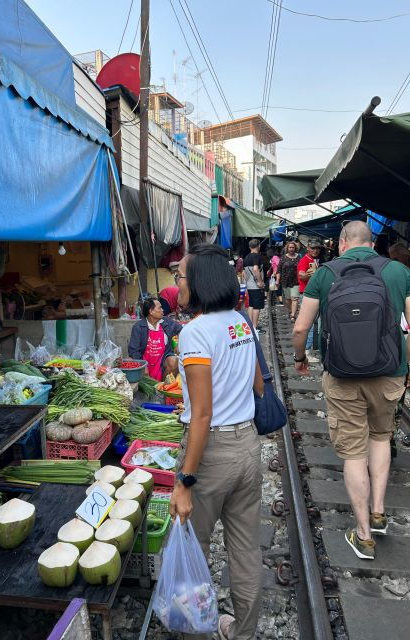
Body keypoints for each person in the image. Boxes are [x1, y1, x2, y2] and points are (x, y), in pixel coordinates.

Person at [293, 221, 410, 560]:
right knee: (380, 437)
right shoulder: (399, 272)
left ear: (343, 242)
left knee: (354, 452)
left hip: (343, 375)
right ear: (372, 243)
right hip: (389, 373)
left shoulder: (325, 273)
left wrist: (301, 358)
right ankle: (378, 512)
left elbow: (301, 327)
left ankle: (363, 536)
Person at [171, 243, 264, 640]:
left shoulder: (194, 333)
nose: (177, 285)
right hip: (248, 446)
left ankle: (196, 631)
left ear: (198, 282)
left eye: (180, 277)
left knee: (197, 549)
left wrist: (184, 481)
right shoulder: (241, 322)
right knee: (246, 551)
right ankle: (242, 633)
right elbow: (259, 385)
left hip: (212, 455)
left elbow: (203, 416)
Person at [128, 298, 181, 381]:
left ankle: (164, 387)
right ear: (151, 311)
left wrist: (179, 344)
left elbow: (181, 329)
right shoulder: (138, 327)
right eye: (159, 308)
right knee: (131, 362)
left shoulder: (166, 322)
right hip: (145, 360)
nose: (162, 310)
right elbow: (133, 350)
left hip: (162, 359)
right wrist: (142, 364)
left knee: (174, 361)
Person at [297, 238, 322, 353]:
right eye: (313, 248)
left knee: (315, 322)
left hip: (315, 294)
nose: (315, 250)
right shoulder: (304, 260)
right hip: (308, 295)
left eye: (317, 248)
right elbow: (301, 275)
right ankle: (305, 350)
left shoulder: (317, 260)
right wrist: (308, 275)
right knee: (309, 323)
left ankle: (312, 348)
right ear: (308, 248)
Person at [243, 239, 265, 329]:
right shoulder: (257, 256)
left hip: (249, 285)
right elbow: (256, 269)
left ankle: (251, 325)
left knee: (251, 305)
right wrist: (260, 282)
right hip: (256, 286)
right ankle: (255, 327)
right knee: (257, 306)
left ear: (250, 247)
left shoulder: (246, 257)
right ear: (258, 246)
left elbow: (244, 273)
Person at [276, 241, 300, 322]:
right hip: (285, 281)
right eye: (290, 247)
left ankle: (293, 315)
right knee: (288, 299)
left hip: (296, 281)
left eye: (293, 247)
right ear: (287, 248)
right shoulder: (283, 258)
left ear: (295, 248)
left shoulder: (299, 257)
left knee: (295, 298)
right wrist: (277, 280)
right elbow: (279, 270)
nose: (291, 249)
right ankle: (290, 311)